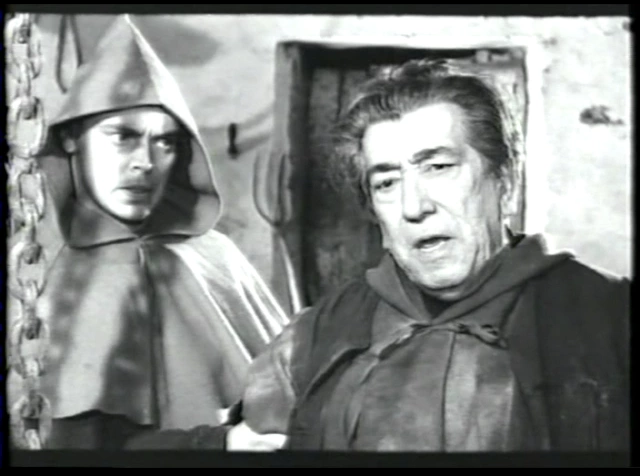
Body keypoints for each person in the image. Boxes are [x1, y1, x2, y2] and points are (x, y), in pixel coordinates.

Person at [129, 58, 631, 453]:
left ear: (505, 181)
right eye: (387, 182)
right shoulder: (316, 335)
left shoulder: (611, 316)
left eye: (438, 167)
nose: (415, 206)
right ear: (372, 208)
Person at [5, 14, 290, 450]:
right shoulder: (52, 274)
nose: (145, 162)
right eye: (123, 136)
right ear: (73, 140)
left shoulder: (217, 255)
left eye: (166, 142)